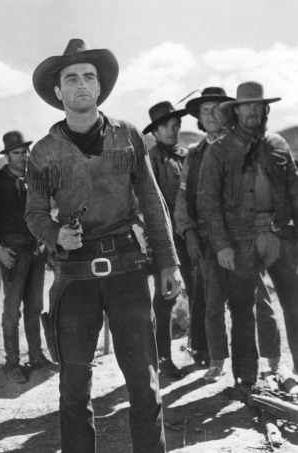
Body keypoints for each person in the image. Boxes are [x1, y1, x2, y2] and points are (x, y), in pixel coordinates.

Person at [26, 38, 182, 453]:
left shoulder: (128, 136)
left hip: (128, 271)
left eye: (88, 77)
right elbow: (34, 214)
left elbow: (152, 201)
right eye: (71, 78)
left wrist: (169, 261)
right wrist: (55, 235)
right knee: (74, 386)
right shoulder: (43, 152)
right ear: (58, 91)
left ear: (99, 87)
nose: (81, 84)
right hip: (74, 276)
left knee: (144, 382)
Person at [175, 87, 282, 383]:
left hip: (244, 236)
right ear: (198, 118)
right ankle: (217, 361)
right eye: (205, 110)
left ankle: (272, 359)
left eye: (217, 109)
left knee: (257, 299)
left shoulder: (244, 145)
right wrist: (188, 231)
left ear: (230, 113)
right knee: (213, 303)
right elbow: (183, 199)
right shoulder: (195, 154)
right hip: (208, 239)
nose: (211, 115)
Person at [198, 81, 298, 394]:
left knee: (295, 305)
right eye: (246, 107)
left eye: (258, 106)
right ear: (236, 111)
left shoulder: (278, 144)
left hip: (280, 238)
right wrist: (221, 245)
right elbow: (208, 203)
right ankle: (247, 380)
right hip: (239, 241)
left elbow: (295, 192)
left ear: (265, 110)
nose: (252, 112)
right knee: (242, 310)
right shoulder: (220, 150)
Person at [0, 131, 55, 384]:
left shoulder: (36, 180)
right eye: (17, 153)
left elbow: (44, 216)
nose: (23, 156)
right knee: (12, 311)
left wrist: (49, 248)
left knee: (35, 307)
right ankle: (12, 363)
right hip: (12, 253)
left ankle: (37, 357)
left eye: (25, 151)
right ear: (7, 156)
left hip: (37, 251)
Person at [143, 101, 206, 378]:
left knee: (198, 291)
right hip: (166, 239)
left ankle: (199, 348)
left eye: (175, 125)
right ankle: (163, 358)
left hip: (191, 234)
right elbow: (150, 204)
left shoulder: (186, 156)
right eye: (165, 126)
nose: (172, 130)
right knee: (166, 298)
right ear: (155, 132)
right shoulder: (151, 160)